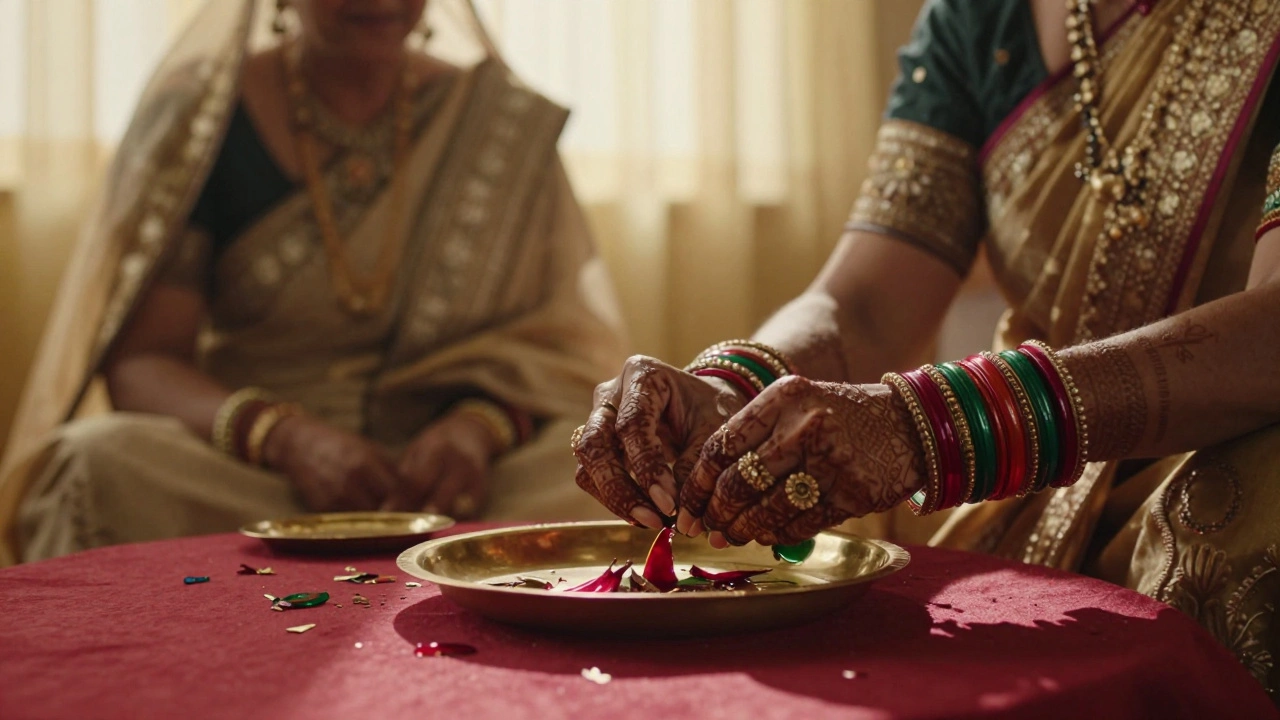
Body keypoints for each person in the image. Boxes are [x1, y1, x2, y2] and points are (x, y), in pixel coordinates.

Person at [573, 0, 1280, 694]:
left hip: (1214, 472)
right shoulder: (977, 18)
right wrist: (732, 389)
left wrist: (927, 428)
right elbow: (867, 301)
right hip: (1032, 488)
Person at [0, 0, 627, 564]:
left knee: (610, 468)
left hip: (457, 480)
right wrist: (283, 437)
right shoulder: (204, 113)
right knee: (95, 463)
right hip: (258, 480)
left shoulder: (499, 123)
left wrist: (477, 430)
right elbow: (145, 362)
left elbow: (559, 355)